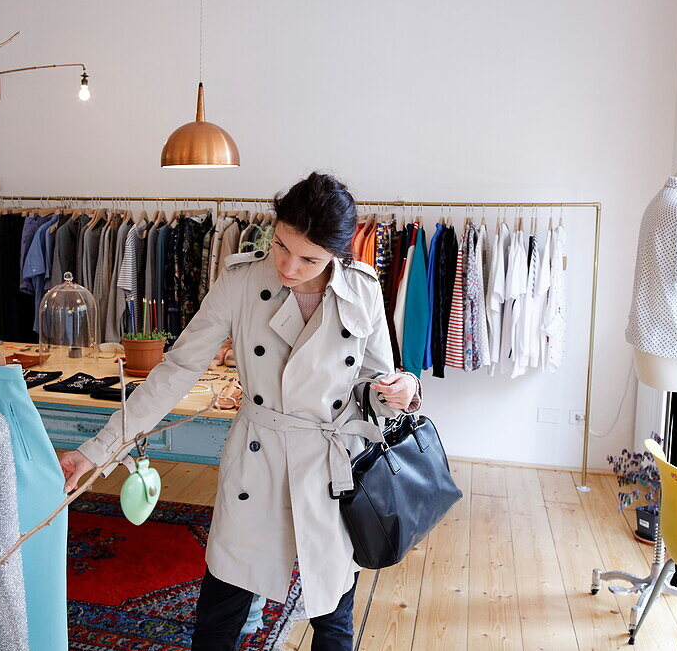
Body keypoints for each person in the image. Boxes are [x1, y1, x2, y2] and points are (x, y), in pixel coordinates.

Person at [58, 172, 421, 651]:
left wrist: (403, 389)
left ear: (339, 252)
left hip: (332, 467)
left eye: (309, 258)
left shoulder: (364, 289)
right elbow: (175, 371)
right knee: (221, 610)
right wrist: (97, 450)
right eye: (282, 245)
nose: (289, 266)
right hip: (259, 459)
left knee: (334, 617)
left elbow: (374, 386)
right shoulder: (240, 281)